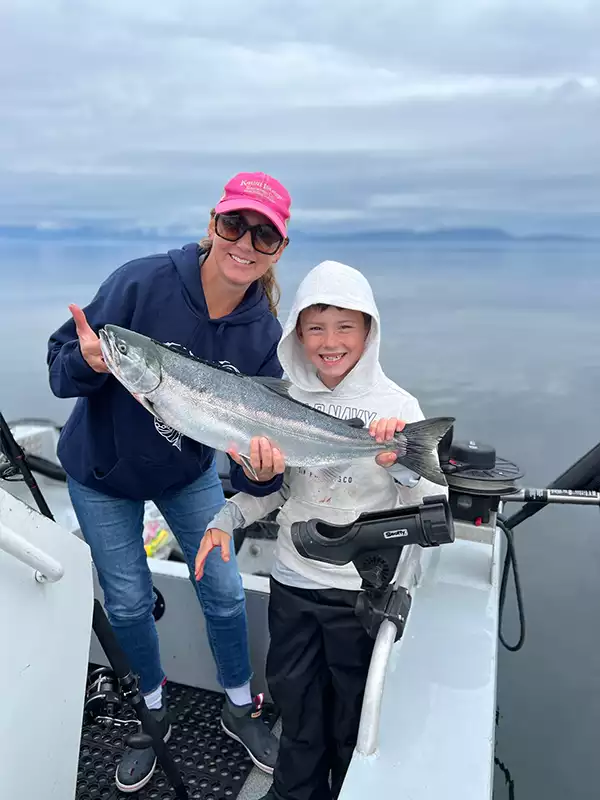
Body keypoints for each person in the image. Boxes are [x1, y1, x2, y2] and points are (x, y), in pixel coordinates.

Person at [46, 172, 292, 793]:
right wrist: (89, 360)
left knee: (228, 592)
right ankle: (152, 713)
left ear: (278, 249)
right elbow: (59, 368)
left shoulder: (263, 330)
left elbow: (246, 447)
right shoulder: (142, 281)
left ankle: (239, 705)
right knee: (126, 601)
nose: (244, 243)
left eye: (263, 235)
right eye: (234, 224)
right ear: (213, 223)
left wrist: (259, 470)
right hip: (101, 471)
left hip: (187, 475)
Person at [194, 259, 448, 800]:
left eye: (345, 327)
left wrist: (396, 460)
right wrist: (229, 516)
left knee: (351, 720)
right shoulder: (285, 401)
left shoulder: (397, 408)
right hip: (292, 587)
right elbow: (282, 490)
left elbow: (429, 498)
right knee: (297, 710)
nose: (330, 342)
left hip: (362, 597)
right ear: (297, 334)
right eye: (315, 328)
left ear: (369, 331)